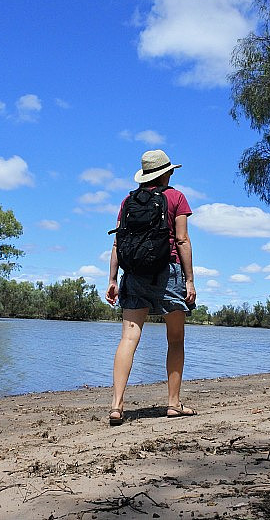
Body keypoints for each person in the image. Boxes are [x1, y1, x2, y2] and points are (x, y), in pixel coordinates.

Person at [105, 149, 197, 426]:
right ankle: (173, 404)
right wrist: (190, 280)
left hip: (133, 274)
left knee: (128, 339)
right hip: (167, 272)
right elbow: (181, 240)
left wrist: (112, 279)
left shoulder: (128, 200)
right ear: (166, 172)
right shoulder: (176, 197)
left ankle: (117, 406)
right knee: (176, 339)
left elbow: (117, 243)